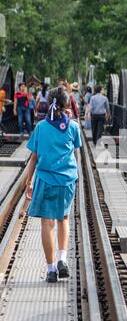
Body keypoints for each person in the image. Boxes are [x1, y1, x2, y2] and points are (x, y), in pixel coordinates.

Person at [25, 86, 82, 283]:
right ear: (67, 105)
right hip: (66, 180)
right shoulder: (73, 127)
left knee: (47, 224)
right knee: (63, 219)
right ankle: (63, 259)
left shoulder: (41, 127)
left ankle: (50, 269)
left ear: (49, 103)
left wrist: (28, 181)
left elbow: (34, 157)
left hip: (45, 179)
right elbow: (75, 152)